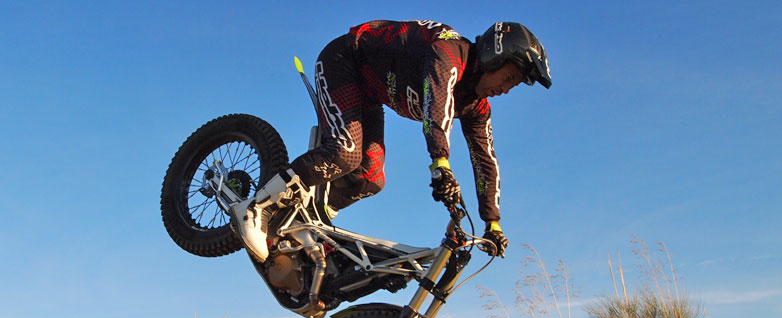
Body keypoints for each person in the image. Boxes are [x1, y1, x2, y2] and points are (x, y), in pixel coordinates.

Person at [230, 20, 551, 262]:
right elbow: (437, 105)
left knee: (370, 179)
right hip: (343, 62)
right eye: (509, 78)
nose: (507, 89)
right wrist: (440, 163)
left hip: (369, 96)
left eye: (515, 86)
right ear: (495, 56)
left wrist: (491, 222)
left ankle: (308, 220)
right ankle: (255, 208)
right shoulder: (450, 55)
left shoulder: (476, 105)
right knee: (345, 151)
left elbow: (485, 160)